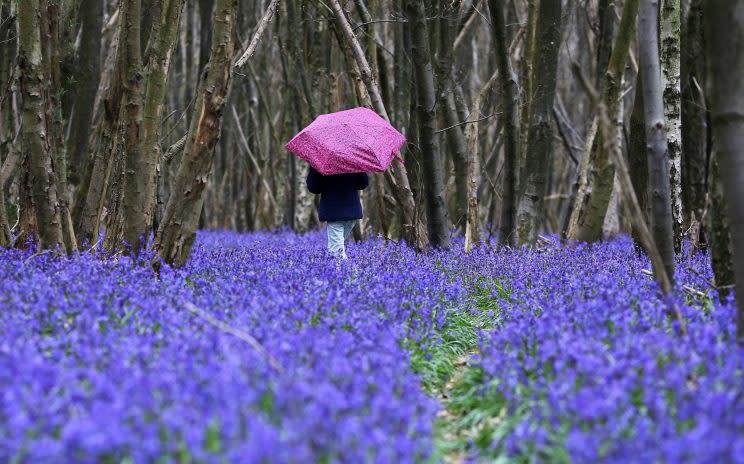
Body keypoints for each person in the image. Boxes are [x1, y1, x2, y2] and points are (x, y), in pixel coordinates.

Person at [306, 166, 369, 259]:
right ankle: (341, 271)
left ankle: (348, 272)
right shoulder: (353, 158)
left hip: (334, 213)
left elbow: (314, 188)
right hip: (352, 212)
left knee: (336, 253)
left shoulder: (320, 160)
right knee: (336, 247)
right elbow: (363, 184)